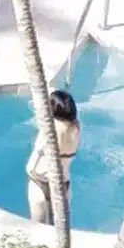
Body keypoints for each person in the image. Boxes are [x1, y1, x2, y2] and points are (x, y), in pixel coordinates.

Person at [25, 88, 80, 227]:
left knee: (38, 227)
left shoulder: (49, 130)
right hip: (63, 183)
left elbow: (33, 163)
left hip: (39, 180)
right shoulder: (75, 129)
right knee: (58, 229)